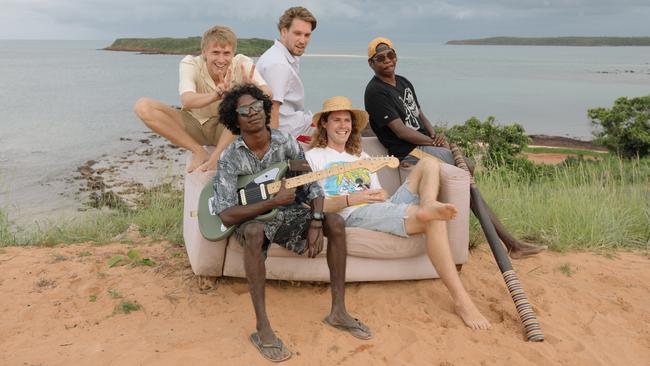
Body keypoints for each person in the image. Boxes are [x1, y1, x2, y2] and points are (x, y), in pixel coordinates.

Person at [212, 85, 372, 362]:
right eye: (244, 111)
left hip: (288, 215)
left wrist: (316, 223)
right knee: (253, 231)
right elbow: (225, 213)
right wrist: (269, 203)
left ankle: (338, 312)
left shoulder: (286, 143)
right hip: (253, 219)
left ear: (264, 108)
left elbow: (311, 187)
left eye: (257, 107)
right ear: (235, 119)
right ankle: (263, 329)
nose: (252, 114)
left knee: (334, 222)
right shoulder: (230, 157)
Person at [305, 96, 491, 331]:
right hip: (353, 213)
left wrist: (379, 193)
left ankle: (428, 203)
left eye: (347, 121)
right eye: (336, 120)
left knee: (429, 164)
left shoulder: (360, 156)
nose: (343, 126)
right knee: (432, 220)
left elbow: (376, 190)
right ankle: (462, 301)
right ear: (324, 124)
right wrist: (353, 199)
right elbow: (315, 204)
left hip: (379, 206)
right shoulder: (314, 157)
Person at [363, 37, 547, 259]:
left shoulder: (403, 82)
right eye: (380, 58)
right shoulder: (375, 92)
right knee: (466, 169)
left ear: (396, 56)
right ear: (371, 64)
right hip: (409, 153)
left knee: (466, 175)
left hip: (423, 145)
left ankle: (508, 243)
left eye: (390, 55)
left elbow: (419, 115)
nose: (387, 61)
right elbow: (401, 132)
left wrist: (434, 135)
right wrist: (432, 142)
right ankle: (510, 243)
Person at [134, 25, 270, 173]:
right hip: (194, 124)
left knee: (246, 106)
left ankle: (216, 158)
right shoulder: (191, 63)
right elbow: (187, 99)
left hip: (227, 129)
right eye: (215, 52)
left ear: (233, 53)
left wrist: (253, 90)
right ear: (204, 52)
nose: (221, 59)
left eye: (226, 53)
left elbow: (269, 95)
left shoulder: (243, 63)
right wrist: (215, 95)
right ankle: (199, 151)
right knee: (143, 106)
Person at [256, 6, 316, 141]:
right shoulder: (278, 64)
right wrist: (274, 150)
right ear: (283, 31)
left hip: (295, 122)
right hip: (290, 132)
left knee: (336, 117)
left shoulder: (282, 55)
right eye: (297, 33)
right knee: (342, 126)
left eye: (307, 35)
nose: (303, 41)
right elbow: (272, 110)